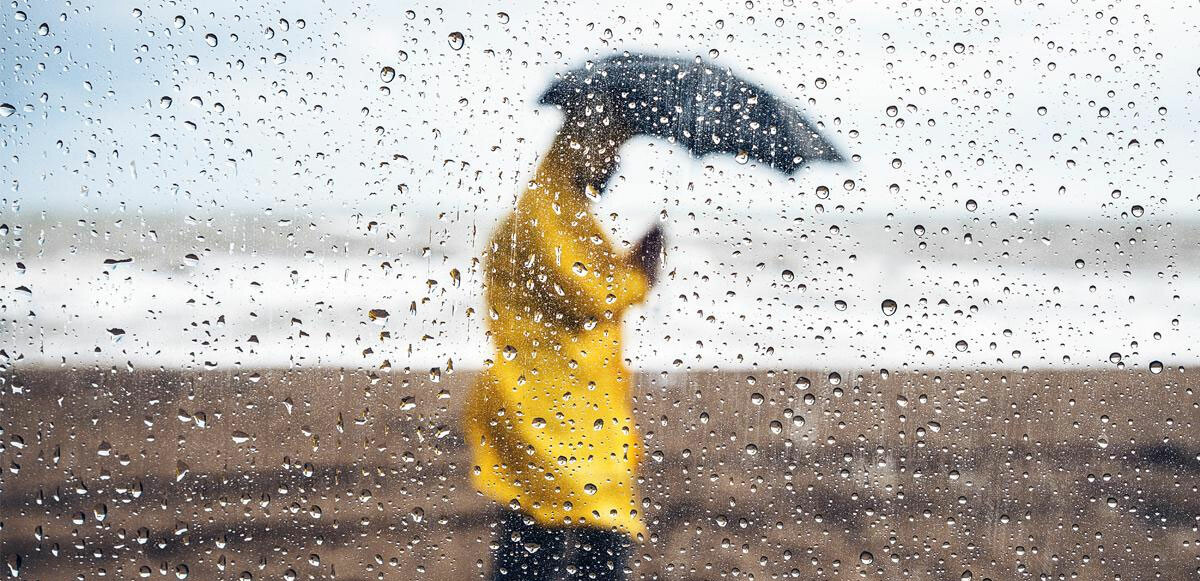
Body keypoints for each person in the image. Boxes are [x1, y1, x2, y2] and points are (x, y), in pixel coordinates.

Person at [463, 98, 663, 581]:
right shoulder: (543, 214)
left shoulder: (565, 212)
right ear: (580, 148)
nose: (613, 163)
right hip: (542, 406)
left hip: (576, 405)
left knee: (563, 531)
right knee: (561, 534)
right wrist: (640, 273)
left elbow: (585, 285)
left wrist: (632, 263)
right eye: (607, 150)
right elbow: (588, 294)